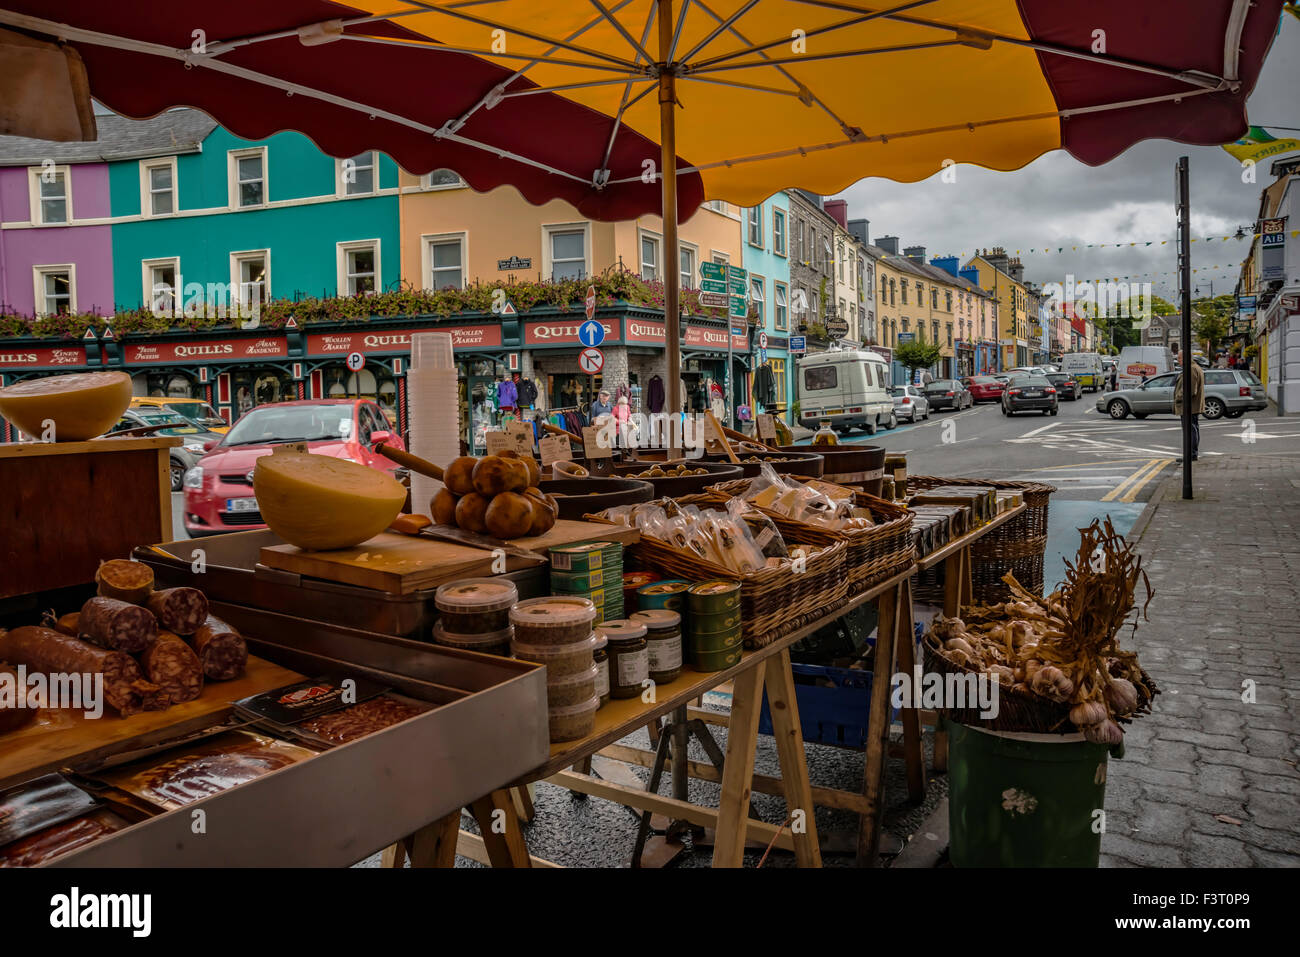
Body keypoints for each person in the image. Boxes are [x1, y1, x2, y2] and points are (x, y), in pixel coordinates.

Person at [1172, 356, 1205, 463]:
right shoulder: (1194, 367)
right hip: (1191, 406)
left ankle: (1191, 455)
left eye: (1180, 358)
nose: (1178, 361)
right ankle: (1192, 454)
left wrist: (1178, 397)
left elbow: (1190, 390)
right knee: (1193, 429)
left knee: (1190, 431)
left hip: (1189, 406)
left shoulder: (1191, 369)